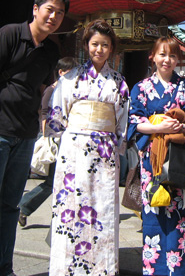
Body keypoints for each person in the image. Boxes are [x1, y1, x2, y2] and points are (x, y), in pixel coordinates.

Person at [0, 0, 69, 276]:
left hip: (24, 136)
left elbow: (40, 89)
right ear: (35, 9)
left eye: (60, 13)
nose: (54, 16)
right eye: (50, 9)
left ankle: (2, 269)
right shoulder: (8, 35)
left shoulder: (51, 50)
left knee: (10, 205)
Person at [46, 20, 129, 275]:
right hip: (74, 148)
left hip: (104, 150)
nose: (99, 50)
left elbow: (122, 119)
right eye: (95, 44)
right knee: (72, 203)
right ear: (86, 45)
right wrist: (63, 137)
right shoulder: (70, 78)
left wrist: (118, 144)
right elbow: (57, 113)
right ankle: (67, 267)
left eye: (105, 45)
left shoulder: (119, 82)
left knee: (103, 205)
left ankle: (102, 267)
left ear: (112, 48)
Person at [128, 36, 185, 276]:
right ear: (152, 56)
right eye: (162, 54)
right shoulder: (141, 88)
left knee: (180, 218)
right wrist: (158, 128)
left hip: (178, 159)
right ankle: (155, 270)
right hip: (151, 161)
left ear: (178, 59)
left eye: (172, 55)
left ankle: (182, 271)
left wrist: (182, 127)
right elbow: (133, 121)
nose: (167, 60)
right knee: (153, 214)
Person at [17, 56, 79, 228]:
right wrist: (48, 138)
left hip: (66, 140)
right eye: (71, 72)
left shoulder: (71, 91)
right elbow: (45, 115)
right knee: (53, 181)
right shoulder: (52, 90)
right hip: (54, 138)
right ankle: (24, 206)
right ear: (61, 72)